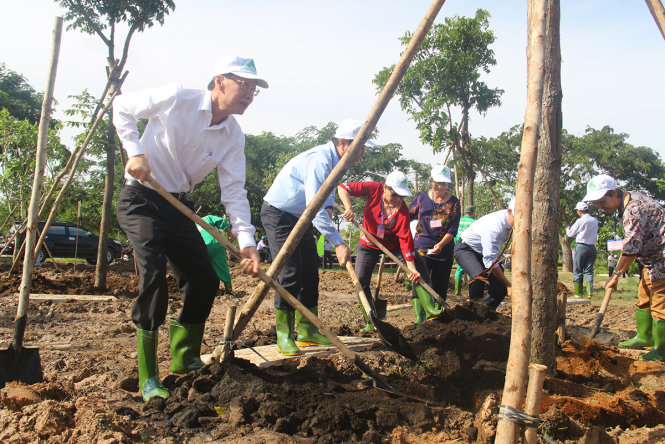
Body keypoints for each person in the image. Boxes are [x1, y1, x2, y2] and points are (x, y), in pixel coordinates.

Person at [113, 55, 264, 401]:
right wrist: (134, 151)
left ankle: (184, 358)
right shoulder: (177, 97)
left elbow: (234, 191)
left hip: (179, 208)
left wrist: (247, 240)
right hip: (141, 199)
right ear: (220, 81)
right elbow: (121, 106)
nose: (249, 94)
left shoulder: (233, 137)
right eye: (244, 85)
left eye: (254, 90)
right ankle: (148, 378)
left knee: (204, 280)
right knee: (152, 275)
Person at [262, 119, 368, 356]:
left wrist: (330, 208)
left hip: (301, 217)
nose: (362, 153)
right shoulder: (320, 159)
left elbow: (325, 194)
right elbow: (314, 205)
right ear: (343, 143)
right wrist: (338, 242)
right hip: (279, 215)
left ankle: (308, 331)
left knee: (310, 271)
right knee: (290, 271)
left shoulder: (337, 162)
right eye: (359, 147)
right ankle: (284, 334)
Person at [583, 174, 665, 361]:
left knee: (660, 302)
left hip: (662, 259)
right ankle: (644, 337)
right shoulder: (627, 203)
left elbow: (631, 247)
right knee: (644, 297)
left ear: (614, 193)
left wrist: (616, 274)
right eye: (596, 203)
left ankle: (661, 350)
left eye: (602, 201)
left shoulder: (634, 209)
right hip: (650, 259)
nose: (600, 207)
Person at [338, 170, 421, 329]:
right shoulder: (374, 188)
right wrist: (349, 208)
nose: (398, 199)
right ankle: (371, 321)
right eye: (395, 195)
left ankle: (426, 313)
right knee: (361, 281)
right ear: (386, 188)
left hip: (393, 245)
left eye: (402, 196)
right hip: (368, 243)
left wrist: (411, 268)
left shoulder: (402, 209)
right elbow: (342, 187)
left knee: (419, 269)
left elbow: (405, 237)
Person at [408, 164, 460, 322]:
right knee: (419, 281)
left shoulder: (454, 202)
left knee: (440, 285)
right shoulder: (421, 198)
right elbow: (407, 216)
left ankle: (437, 318)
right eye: (437, 182)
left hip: (443, 250)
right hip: (421, 248)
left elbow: (453, 229)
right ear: (431, 181)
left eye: (444, 183)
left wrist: (441, 245)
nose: (440, 186)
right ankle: (420, 317)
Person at [453, 198, 515, 310]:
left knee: (500, 288)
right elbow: (490, 261)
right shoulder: (495, 227)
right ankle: (473, 313)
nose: (520, 221)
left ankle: (485, 313)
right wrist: (509, 284)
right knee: (478, 276)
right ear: (509, 211)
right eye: (517, 217)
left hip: (482, 252)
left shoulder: (512, 222)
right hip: (466, 249)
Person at [566, 201, 599, 298]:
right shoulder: (595, 220)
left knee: (578, 270)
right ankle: (589, 293)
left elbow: (571, 234)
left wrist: (568, 229)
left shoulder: (580, 221)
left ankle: (578, 293)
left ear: (579, 211)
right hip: (592, 247)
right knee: (589, 271)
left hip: (581, 246)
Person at [196, 215, 235, 297]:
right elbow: (222, 221)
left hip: (201, 247)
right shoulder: (208, 218)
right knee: (222, 268)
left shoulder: (191, 224)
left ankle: (208, 292)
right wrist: (230, 233)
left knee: (204, 270)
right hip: (217, 244)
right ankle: (229, 292)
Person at [454, 206, 476, 295]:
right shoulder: (473, 222)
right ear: (472, 213)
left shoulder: (458, 221)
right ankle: (472, 293)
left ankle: (457, 292)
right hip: (468, 248)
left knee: (459, 269)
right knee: (472, 269)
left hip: (456, 246)